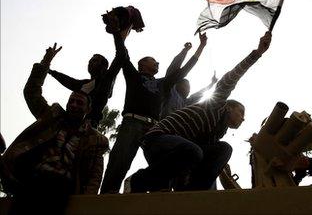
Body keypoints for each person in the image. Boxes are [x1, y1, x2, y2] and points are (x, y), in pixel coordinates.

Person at [129, 31, 272, 193]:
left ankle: (191, 193)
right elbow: (230, 79)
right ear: (229, 107)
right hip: (158, 140)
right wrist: (257, 53)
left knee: (223, 149)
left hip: (176, 155)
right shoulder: (218, 104)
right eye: (241, 112)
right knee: (195, 151)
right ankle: (139, 180)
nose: (243, 118)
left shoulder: (216, 132)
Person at [1, 43, 109, 214]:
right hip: (33, 179)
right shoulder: (52, 118)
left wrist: (87, 204)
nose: (73, 105)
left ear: (88, 110)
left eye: (79, 103)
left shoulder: (95, 139)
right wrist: (46, 64)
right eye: (71, 101)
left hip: (62, 186)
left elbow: (95, 176)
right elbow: (32, 92)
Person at [100, 33, 208, 194]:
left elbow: (185, 70)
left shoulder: (163, 83)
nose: (157, 62)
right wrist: (118, 34)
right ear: (142, 64)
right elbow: (122, 54)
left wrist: (201, 47)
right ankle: (106, 199)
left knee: (162, 163)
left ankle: (159, 196)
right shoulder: (134, 76)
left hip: (154, 129)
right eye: (153, 60)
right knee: (119, 162)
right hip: (132, 123)